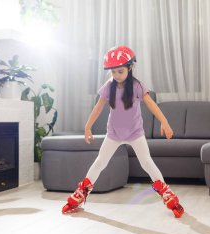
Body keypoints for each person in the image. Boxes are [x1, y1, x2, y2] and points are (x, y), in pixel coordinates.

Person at [62, 46, 184, 218]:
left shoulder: (137, 86)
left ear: (130, 68)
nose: (117, 75)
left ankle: (167, 194)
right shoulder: (109, 86)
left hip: (135, 133)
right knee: (100, 163)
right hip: (114, 134)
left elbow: (151, 105)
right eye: (113, 72)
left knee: (147, 163)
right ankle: (81, 192)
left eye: (120, 71)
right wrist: (88, 126)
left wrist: (165, 122)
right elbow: (98, 108)